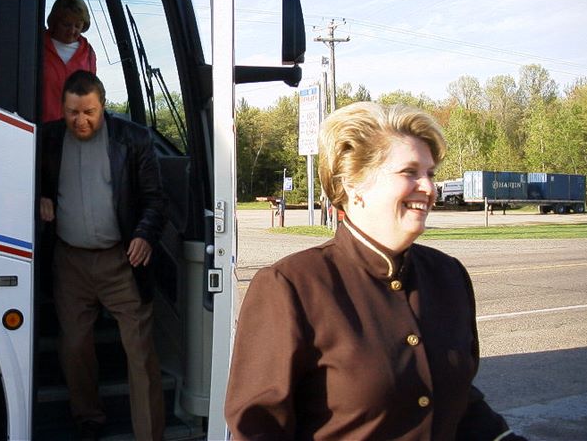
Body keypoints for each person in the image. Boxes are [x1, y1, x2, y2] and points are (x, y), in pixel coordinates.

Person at [224, 102, 525, 440]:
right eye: (410, 172)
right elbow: (259, 429)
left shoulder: (448, 276)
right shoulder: (291, 287)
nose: (428, 188)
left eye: (430, 173)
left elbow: (459, 402)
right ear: (354, 184)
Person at [40, 70, 165, 440]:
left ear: (103, 107)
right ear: (62, 108)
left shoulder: (133, 139)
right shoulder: (46, 139)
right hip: (70, 261)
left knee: (140, 353)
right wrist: (40, 196)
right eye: (73, 112)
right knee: (74, 345)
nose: (81, 120)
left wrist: (144, 235)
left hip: (121, 261)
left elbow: (155, 200)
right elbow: (25, 180)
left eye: (89, 112)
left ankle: (149, 434)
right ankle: (88, 419)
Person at [42, 0, 97, 123]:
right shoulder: (36, 44)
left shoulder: (89, 54)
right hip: (38, 131)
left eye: (77, 26)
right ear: (55, 22)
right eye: (66, 24)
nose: (72, 31)